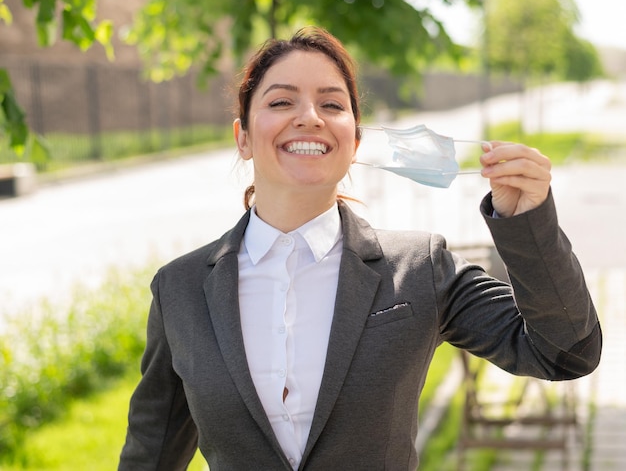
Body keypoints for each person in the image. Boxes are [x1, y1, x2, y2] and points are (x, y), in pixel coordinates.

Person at [118, 27, 601, 470]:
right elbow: (149, 455)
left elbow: (565, 352)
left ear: (354, 140)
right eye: (282, 102)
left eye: (331, 105)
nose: (309, 117)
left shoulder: (419, 269)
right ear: (242, 137)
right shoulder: (179, 289)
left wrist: (527, 222)